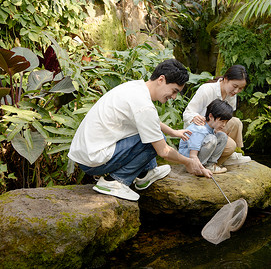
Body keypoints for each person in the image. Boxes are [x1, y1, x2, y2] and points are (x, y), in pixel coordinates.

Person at [68, 59, 212, 201]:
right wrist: (188, 162)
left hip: (88, 155)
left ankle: (145, 174)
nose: (174, 97)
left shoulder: (135, 87)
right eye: (174, 91)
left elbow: (149, 121)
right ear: (161, 79)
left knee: (154, 134)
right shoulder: (143, 105)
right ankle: (115, 181)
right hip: (94, 161)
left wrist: (173, 132)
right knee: (154, 141)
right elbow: (164, 152)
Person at [183, 64, 251, 166]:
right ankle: (210, 163)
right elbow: (187, 113)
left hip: (214, 128)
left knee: (236, 122)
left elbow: (227, 118)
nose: (236, 91)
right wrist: (194, 117)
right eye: (235, 86)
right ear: (226, 79)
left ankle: (228, 156)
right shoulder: (206, 90)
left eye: (240, 88)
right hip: (200, 133)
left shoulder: (231, 94)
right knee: (230, 145)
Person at [179, 99, 233, 174]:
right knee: (212, 139)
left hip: (198, 157)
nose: (224, 125)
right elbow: (193, 155)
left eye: (226, 122)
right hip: (189, 161)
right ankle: (200, 167)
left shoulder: (209, 127)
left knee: (222, 136)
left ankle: (210, 165)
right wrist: (199, 169)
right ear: (210, 116)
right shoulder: (200, 129)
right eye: (222, 121)